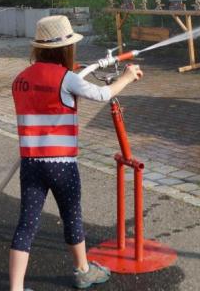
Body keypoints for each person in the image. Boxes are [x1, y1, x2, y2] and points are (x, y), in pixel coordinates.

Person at [9, 16, 144, 290]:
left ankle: (16, 288)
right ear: (66, 49)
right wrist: (127, 77)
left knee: (26, 224)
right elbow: (103, 94)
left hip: (31, 163)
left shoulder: (20, 79)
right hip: (61, 165)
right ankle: (83, 271)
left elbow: (44, 90)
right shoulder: (67, 79)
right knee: (71, 216)